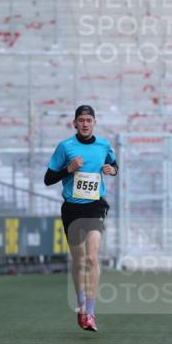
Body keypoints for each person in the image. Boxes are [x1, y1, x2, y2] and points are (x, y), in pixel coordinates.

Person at [44, 105, 117, 332]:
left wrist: (112, 170)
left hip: (95, 206)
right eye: (81, 120)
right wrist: (69, 168)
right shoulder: (66, 147)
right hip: (72, 209)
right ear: (74, 123)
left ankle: (90, 312)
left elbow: (114, 164)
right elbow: (48, 179)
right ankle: (81, 303)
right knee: (79, 260)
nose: (85, 124)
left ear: (94, 123)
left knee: (93, 258)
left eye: (89, 120)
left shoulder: (104, 144)